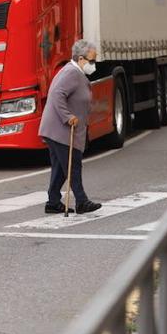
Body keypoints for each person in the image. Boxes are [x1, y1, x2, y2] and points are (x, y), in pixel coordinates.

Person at [38, 40, 102, 215]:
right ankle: (82, 202)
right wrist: (67, 117)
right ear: (81, 59)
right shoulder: (71, 73)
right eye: (92, 60)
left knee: (60, 167)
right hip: (61, 130)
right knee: (73, 165)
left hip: (59, 130)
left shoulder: (76, 73)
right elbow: (57, 94)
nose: (94, 64)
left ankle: (52, 202)